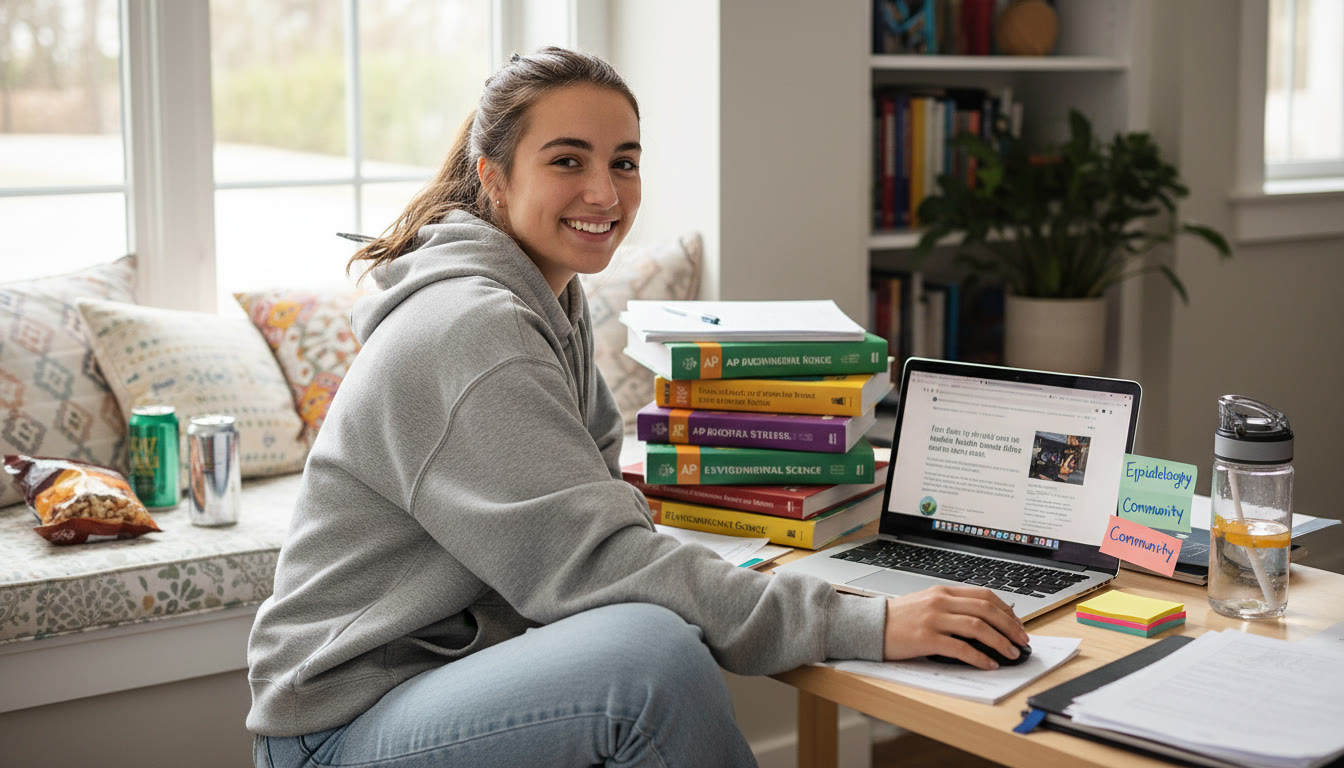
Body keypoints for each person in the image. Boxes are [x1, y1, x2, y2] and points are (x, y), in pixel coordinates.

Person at [246, 47, 1028, 768]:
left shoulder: (551, 298)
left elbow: (589, 511)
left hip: (450, 668)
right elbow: (597, 562)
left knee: (667, 622)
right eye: (567, 161)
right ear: (492, 175)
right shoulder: (473, 327)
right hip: (342, 722)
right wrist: (869, 622)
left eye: (624, 162)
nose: (605, 192)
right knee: (647, 665)